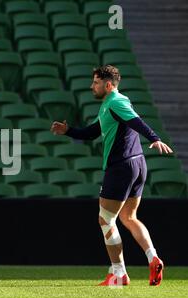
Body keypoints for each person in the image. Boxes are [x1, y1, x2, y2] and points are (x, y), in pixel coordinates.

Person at [50, 65, 171, 286]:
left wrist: (153, 137)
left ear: (108, 84)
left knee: (106, 219)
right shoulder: (108, 105)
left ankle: (118, 274)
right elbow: (93, 131)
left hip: (121, 167)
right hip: (137, 164)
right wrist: (69, 131)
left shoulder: (116, 101)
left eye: (95, 82)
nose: (91, 86)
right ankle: (153, 258)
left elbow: (136, 120)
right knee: (129, 217)